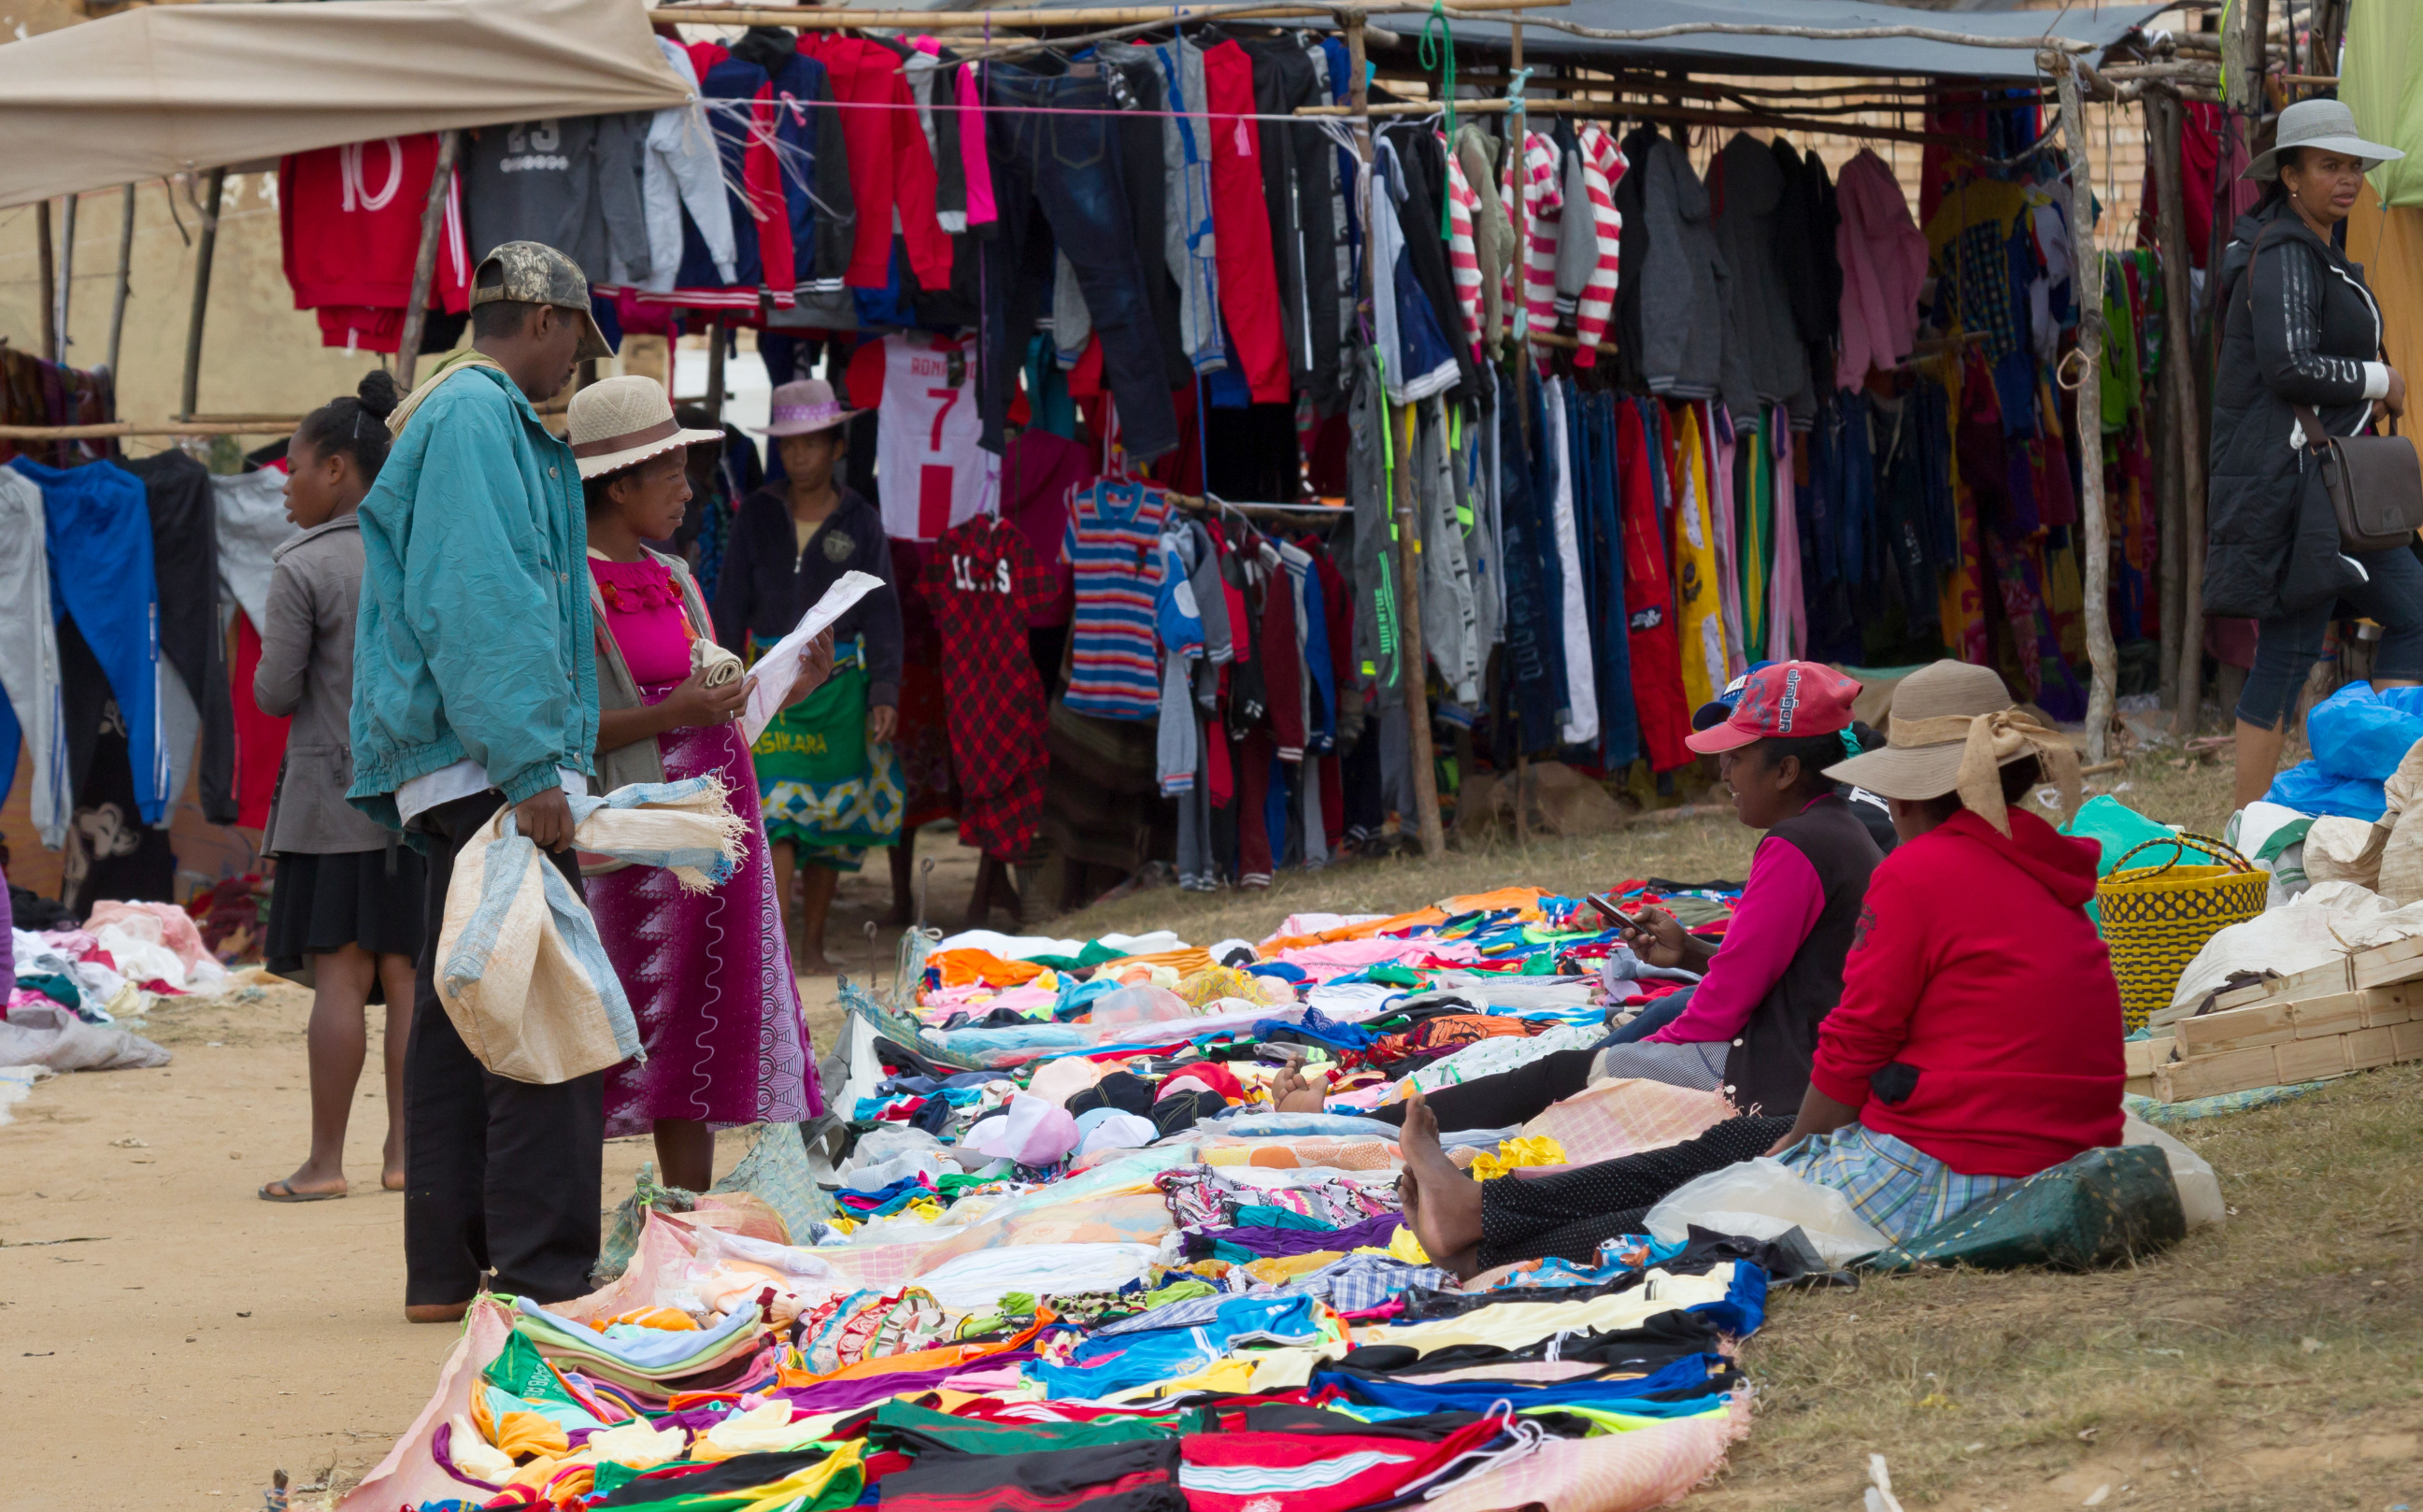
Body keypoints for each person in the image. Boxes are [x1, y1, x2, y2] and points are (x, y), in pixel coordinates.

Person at [1395, 661, 2121, 1277]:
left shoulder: (1922, 871)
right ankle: (1481, 1215)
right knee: (1729, 1150)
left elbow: (1856, 1037)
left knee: (1717, 1205)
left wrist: (1796, 1147)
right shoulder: (2036, 860)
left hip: (1970, 1162)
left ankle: (1484, 1246)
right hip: (2041, 1140)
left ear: (1905, 789)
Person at [349, 241, 617, 1322]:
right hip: (484, 760)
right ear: (544, 321)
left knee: (465, 1016)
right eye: (574, 346)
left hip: (459, 760)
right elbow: (480, 599)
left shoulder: (467, 415)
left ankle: (446, 1269)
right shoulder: (473, 417)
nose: (571, 372)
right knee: (547, 1006)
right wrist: (529, 764)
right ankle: (544, 1264)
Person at [1276, 661, 1882, 1125]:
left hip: (1773, 1075)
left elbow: (1720, 1011)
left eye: (1737, 756)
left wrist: (1618, 1061)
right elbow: (1775, 969)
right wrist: (1690, 955)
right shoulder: (1835, 829)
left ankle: (1359, 1127)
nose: (1722, 772)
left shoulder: (1793, 847)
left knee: (1567, 1076)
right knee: (1620, 1040)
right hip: (1797, 1058)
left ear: (1784, 772)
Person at [572, 376, 834, 1193]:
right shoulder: (567, 587)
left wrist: (786, 686)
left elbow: (710, 709)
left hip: (710, 839)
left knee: (694, 1024)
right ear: (619, 484)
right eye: (673, 475)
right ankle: (561, 1225)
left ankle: (687, 1212)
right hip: (628, 846)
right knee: (605, 1026)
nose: (690, 493)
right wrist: (672, 713)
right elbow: (561, 729)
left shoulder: (674, 578)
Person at [2206, 98, 2414, 809]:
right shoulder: (2286, 252)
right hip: (2299, 490)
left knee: (2415, 614)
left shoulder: (2312, 248)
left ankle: (2394, 796)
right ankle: (2248, 832)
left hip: (2333, 488)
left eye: (2353, 165)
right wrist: (2378, 379)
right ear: (2289, 175)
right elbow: (2288, 365)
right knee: (2287, 652)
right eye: (2329, 165)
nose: (2346, 178)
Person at [255, 371, 425, 1203]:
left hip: (329, 801)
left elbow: (276, 693)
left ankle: (325, 1162)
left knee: (338, 978)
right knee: (406, 977)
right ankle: (406, 1155)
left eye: (292, 467)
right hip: (421, 801)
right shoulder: (419, 548)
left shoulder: (303, 566)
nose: (283, 485)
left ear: (335, 469)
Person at [712, 378, 904, 971]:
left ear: (836, 447)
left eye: (812, 444)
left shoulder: (861, 519)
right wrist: (719, 670)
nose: (799, 456)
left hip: (840, 681)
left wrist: (885, 690)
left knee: (829, 822)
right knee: (778, 814)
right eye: (789, 445)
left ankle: (812, 944)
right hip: (769, 680)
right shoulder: (756, 514)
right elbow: (730, 600)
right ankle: (779, 945)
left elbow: (882, 608)